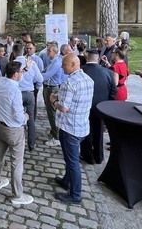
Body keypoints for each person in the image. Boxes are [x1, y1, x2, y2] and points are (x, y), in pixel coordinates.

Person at [50, 54, 94, 204]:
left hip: (70, 128)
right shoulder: (88, 79)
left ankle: (75, 194)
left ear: (74, 64)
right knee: (71, 159)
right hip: (82, 126)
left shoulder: (69, 82)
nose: (62, 67)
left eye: (65, 64)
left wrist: (53, 100)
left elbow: (64, 108)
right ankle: (67, 181)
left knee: (72, 162)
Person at [0, 61, 33, 205]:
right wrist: (25, 117)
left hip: (1, 127)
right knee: (16, 163)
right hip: (14, 131)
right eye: (21, 72)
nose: (22, 73)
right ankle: (17, 195)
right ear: (15, 74)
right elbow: (18, 115)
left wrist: (26, 68)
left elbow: (12, 78)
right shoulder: (15, 91)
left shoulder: (0, 82)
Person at [80, 50, 117, 165]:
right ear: (98, 59)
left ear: (87, 58)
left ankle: (88, 155)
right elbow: (113, 91)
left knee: (85, 131)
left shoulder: (81, 71)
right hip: (101, 107)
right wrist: (107, 104)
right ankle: (99, 156)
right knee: (98, 132)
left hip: (84, 106)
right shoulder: (108, 72)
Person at [12, 43, 43, 151]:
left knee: (16, 116)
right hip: (29, 92)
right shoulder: (32, 63)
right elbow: (40, 79)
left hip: (17, 93)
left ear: (14, 52)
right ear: (24, 51)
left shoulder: (13, 64)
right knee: (31, 119)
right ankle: (31, 143)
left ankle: (16, 141)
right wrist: (36, 89)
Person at [42, 42, 66, 147]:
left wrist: (35, 75)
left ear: (55, 52)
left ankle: (56, 137)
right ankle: (53, 132)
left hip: (52, 89)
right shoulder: (53, 61)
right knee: (50, 112)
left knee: (52, 113)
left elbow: (46, 75)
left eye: (49, 50)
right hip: (49, 87)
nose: (47, 52)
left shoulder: (56, 63)